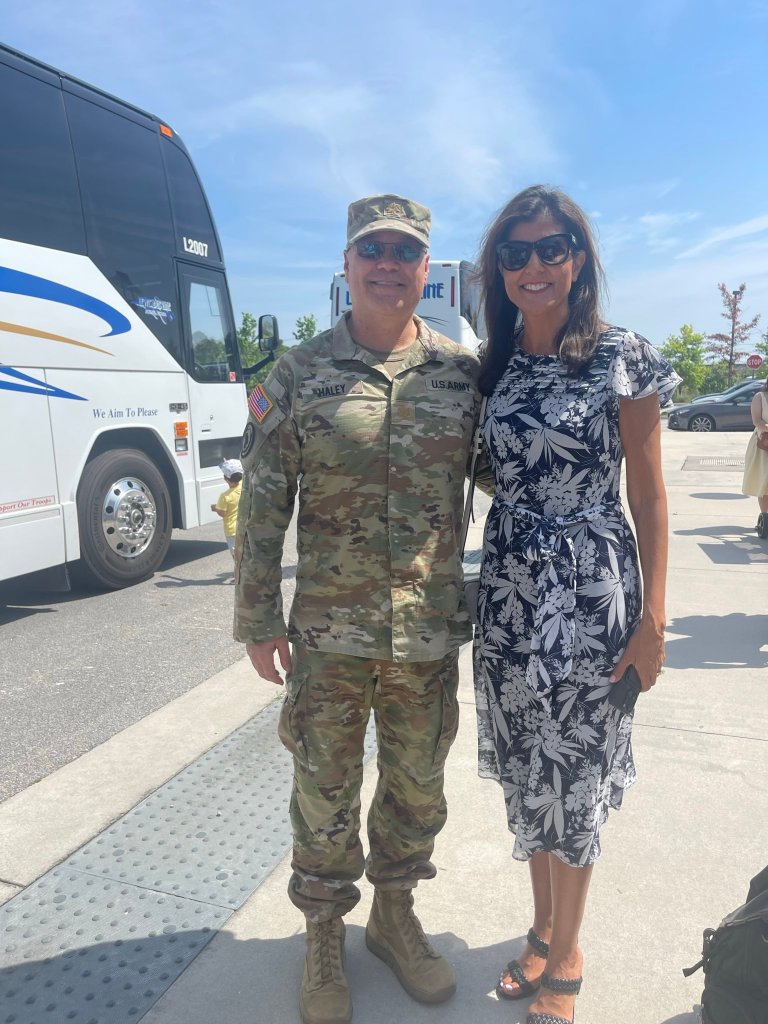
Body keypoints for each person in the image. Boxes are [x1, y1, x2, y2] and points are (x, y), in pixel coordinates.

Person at [233, 195, 481, 1024]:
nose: (387, 264)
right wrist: (258, 619)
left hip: (426, 634)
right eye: (371, 249)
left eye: (403, 252)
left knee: (417, 788)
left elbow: (513, 481)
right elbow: (264, 505)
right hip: (329, 640)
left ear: (424, 269)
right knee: (324, 789)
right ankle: (322, 933)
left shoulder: (460, 375)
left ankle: (395, 917)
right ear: (346, 266)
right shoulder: (299, 376)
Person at [472, 185, 680, 1024]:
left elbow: (651, 493)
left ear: (579, 256)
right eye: (515, 252)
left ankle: (567, 954)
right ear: (498, 268)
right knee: (530, 769)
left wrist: (654, 617)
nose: (533, 266)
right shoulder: (493, 361)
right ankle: (541, 926)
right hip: (510, 595)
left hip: (593, 592)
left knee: (578, 772)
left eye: (550, 247)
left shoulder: (620, 355)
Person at [741, 378, 768, 538]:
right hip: (763, 446)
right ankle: (766, 516)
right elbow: (757, 421)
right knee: (764, 484)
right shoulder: (760, 397)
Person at [211, 458, 243, 563]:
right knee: (245, 551)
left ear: (225, 478)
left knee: (236, 555)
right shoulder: (243, 486)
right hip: (244, 526)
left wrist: (215, 508)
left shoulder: (225, 496)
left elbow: (223, 513)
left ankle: (239, 574)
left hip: (232, 531)